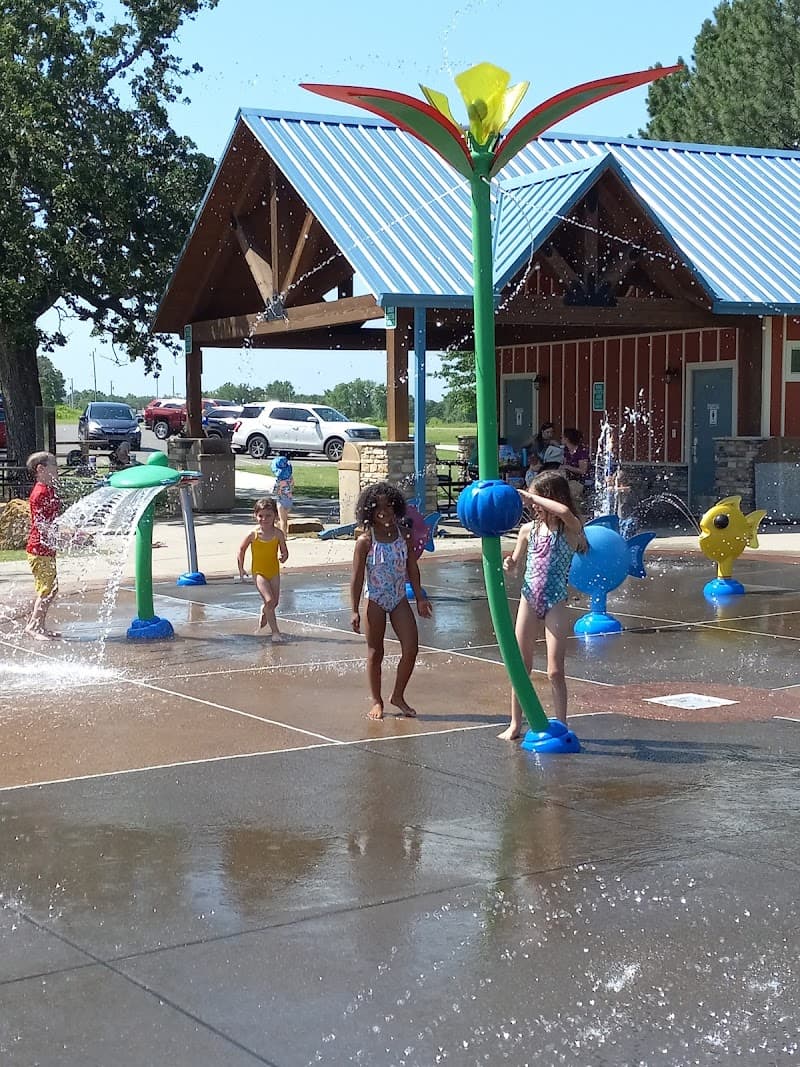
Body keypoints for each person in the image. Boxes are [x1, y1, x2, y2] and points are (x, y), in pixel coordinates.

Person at [498, 470, 587, 741]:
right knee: (520, 666)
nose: (532, 504)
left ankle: (562, 725)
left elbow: (562, 510)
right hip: (529, 597)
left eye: (537, 497)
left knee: (554, 670)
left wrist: (530, 495)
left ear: (551, 497)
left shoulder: (571, 528)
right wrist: (510, 564)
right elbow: (515, 564)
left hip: (556, 600)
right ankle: (515, 723)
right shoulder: (528, 530)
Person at [350, 481, 433, 720]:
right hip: (375, 599)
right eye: (378, 508)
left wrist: (419, 597)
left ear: (396, 508)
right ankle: (376, 700)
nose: (384, 512)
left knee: (411, 648)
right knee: (376, 652)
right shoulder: (365, 541)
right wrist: (354, 610)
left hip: (398, 599)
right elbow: (356, 578)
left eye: (388, 506)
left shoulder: (403, 535)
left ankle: (398, 695)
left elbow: (412, 568)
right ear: (369, 511)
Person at [237, 497, 289, 641]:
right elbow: (241, 550)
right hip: (259, 573)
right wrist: (241, 568)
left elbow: (284, 551)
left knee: (274, 603)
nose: (264, 519)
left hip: (274, 572)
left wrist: (284, 556)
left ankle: (264, 610)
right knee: (270, 600)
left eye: (268, 515)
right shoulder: (253, 534)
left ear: (275, 516)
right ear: (255, 516)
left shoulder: (278, 534)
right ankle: (275, 632)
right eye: (260, 516)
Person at [25, 451, 61, 640]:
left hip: (47, 549)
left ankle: (40, 625)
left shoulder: (49, 490)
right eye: (54, 466)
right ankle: (33, 626)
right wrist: (65, 536)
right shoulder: (39, 493)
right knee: (46, 589)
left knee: (52, 588)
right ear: (41, 469)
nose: (57, 470)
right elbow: (42, 525)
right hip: (39, 549)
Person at [561, 427, 591, 509]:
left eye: (563, 437)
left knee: (569, 492)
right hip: (569, 478)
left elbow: (583, 470)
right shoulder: (566, 450)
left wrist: (568, 467)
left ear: (567, 439)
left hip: (581, 480)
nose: (561, 438)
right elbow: (564, 464)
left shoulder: (582, 451)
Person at [271, 456, 294, 536]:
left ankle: (283, 536)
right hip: (289, 500)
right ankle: (277, 531)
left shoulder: (279, 481)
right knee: (280, 518)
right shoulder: (290, 479)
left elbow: (274, 491)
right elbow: (292, 487)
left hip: (281, 501)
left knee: (282, 520)